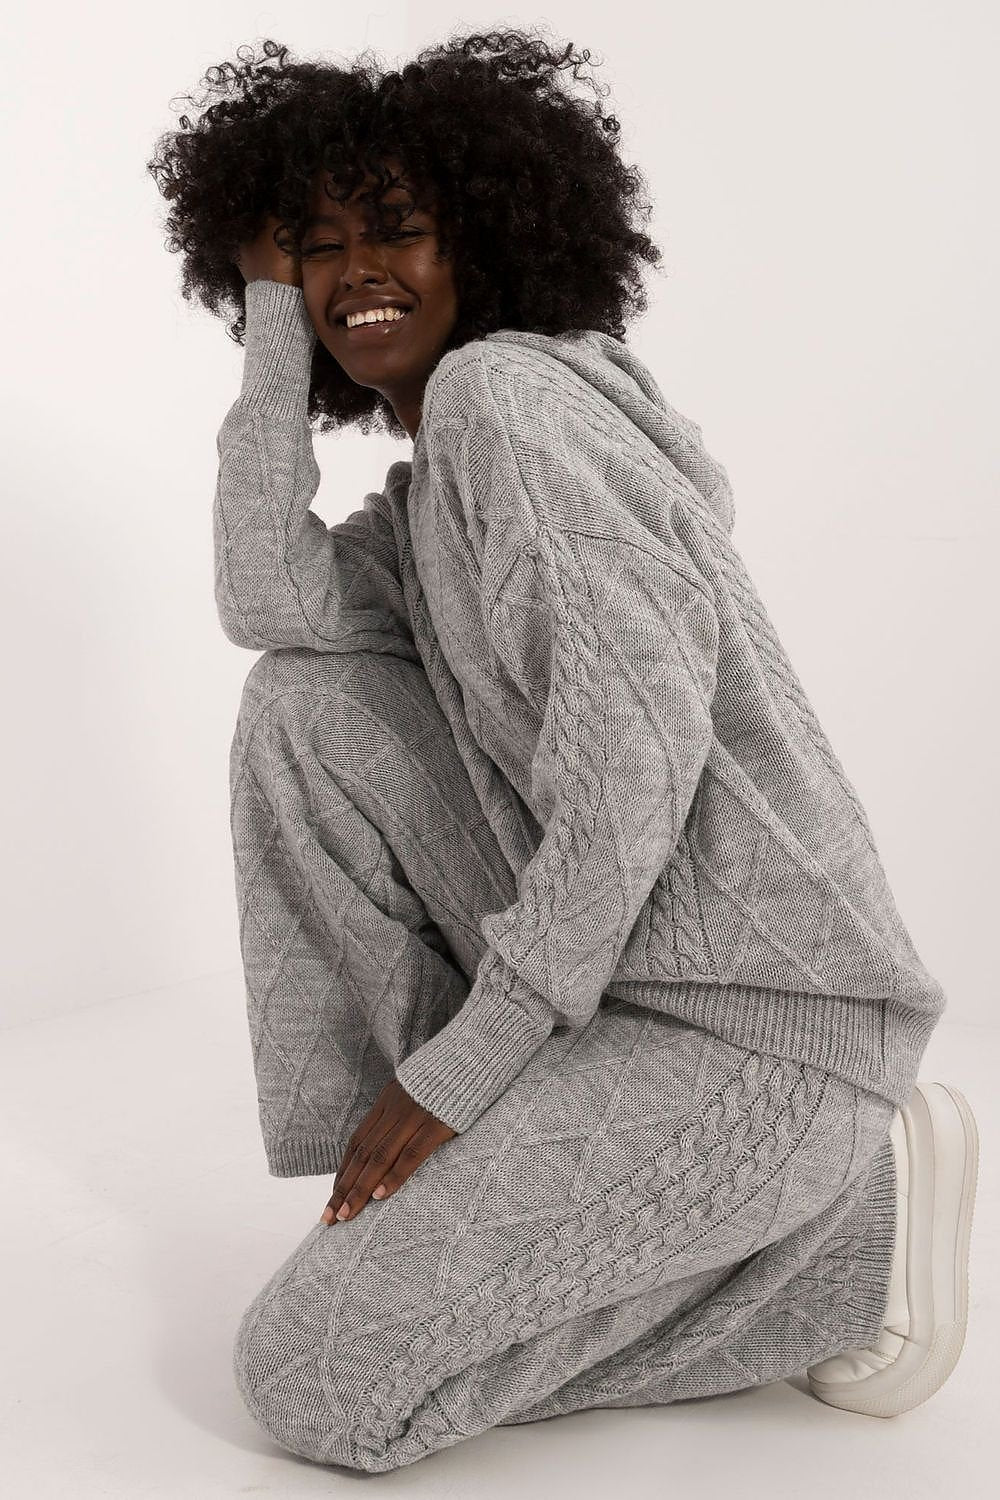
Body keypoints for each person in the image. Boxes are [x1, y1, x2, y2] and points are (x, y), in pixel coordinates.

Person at [148, 28, 979, 1474]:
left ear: (490, 237)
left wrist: (466, 1065)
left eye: (398, 230)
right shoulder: (431, 498)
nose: (357, 273)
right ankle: (490, 1182)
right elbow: (267, 600)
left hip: (758, 1022)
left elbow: (635, 768)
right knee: (303, 703)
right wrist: (269, 321)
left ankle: (857, 1233)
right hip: (619, 994)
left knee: (314, 1381)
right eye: (319, 250)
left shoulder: (509, 408)